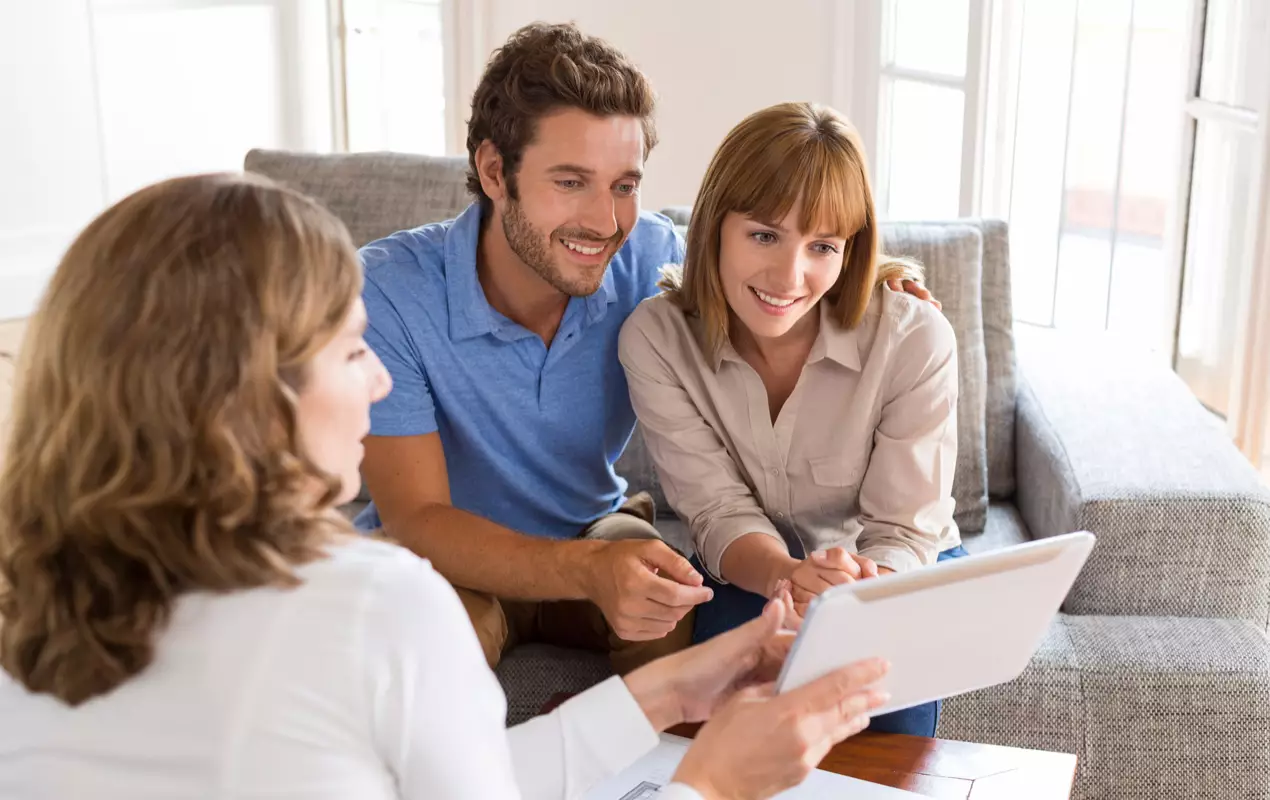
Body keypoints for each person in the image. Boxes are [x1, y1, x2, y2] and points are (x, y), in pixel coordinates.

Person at [0, 172, 892, 800]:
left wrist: (671, 692)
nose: (380, 382)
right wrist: (714, 783)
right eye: (354, 351)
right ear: (245, 391)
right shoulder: (374, 606)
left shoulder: (30, 600)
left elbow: (472, 782)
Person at [355, 21, 936, 673]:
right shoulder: (388, 292)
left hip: (592, 524)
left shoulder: (646, 259)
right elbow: (418, 519)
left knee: (672, 601)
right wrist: (588, 570)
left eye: (624, 186)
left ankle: (655, 777)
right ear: (494, 171)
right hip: (447, 560)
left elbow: (760, 272)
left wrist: (878, 275)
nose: (606, 223)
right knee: (431, 639)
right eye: (571, 182)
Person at [618, 102, 968, 738]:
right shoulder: (656, 338)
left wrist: (853, 592)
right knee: (724, 730)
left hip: (884, 570)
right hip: (755, 569)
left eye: (822, 247)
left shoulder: (913, 338)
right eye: (763, 235)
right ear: (714, 226)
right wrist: (789, 578)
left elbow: (903, 530)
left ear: (850, 250)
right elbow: (718, 510)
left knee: (886, 724)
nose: (789, 276)